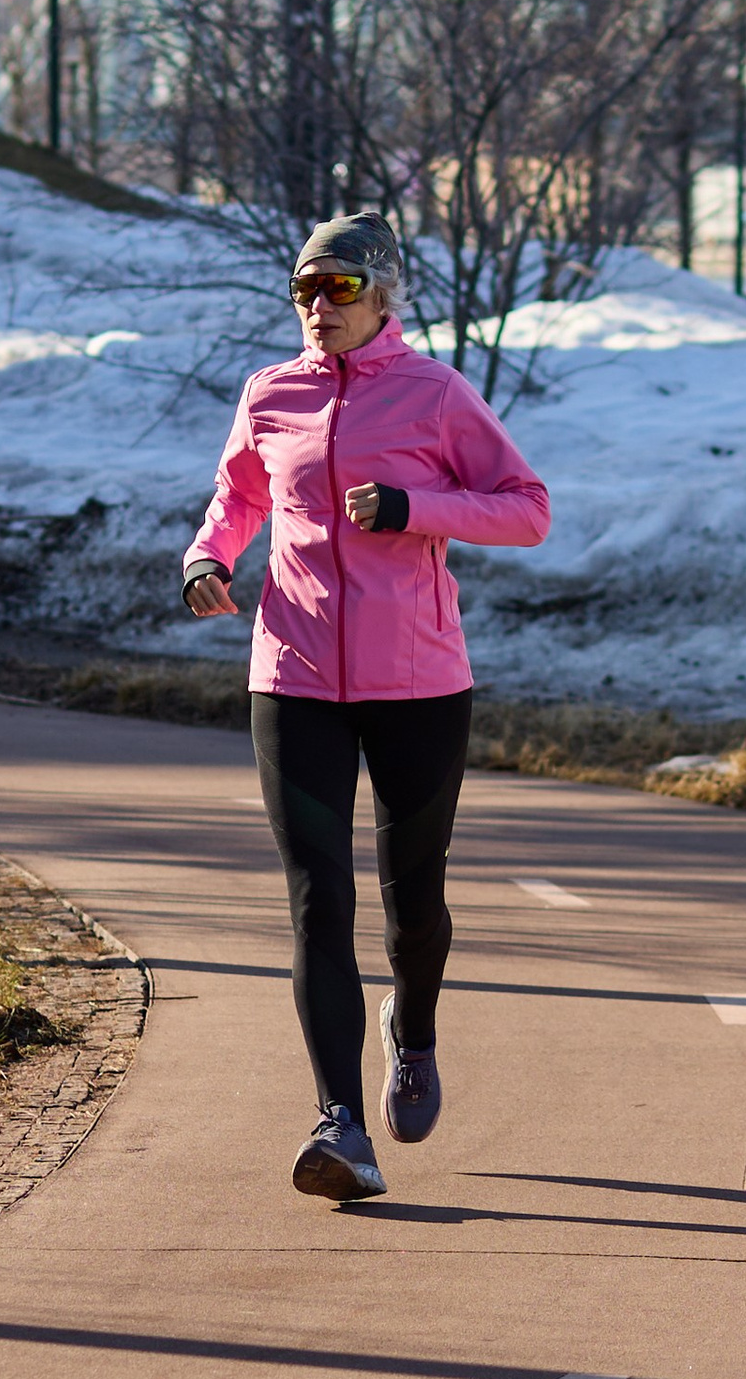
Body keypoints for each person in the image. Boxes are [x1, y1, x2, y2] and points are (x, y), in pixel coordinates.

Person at [183, 211, 550, 1203]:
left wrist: (412, 507)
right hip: (293, 672)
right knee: (316, 899)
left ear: (382, 297)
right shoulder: (272, 393)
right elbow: (238, 495)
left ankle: (413, 1032)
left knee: (411, 900)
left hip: (418, 681)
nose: (317, 306)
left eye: (338, 288)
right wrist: (208, 556)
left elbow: (526, 507)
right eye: (304, 288)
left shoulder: (434, 394)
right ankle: (340, 1124)